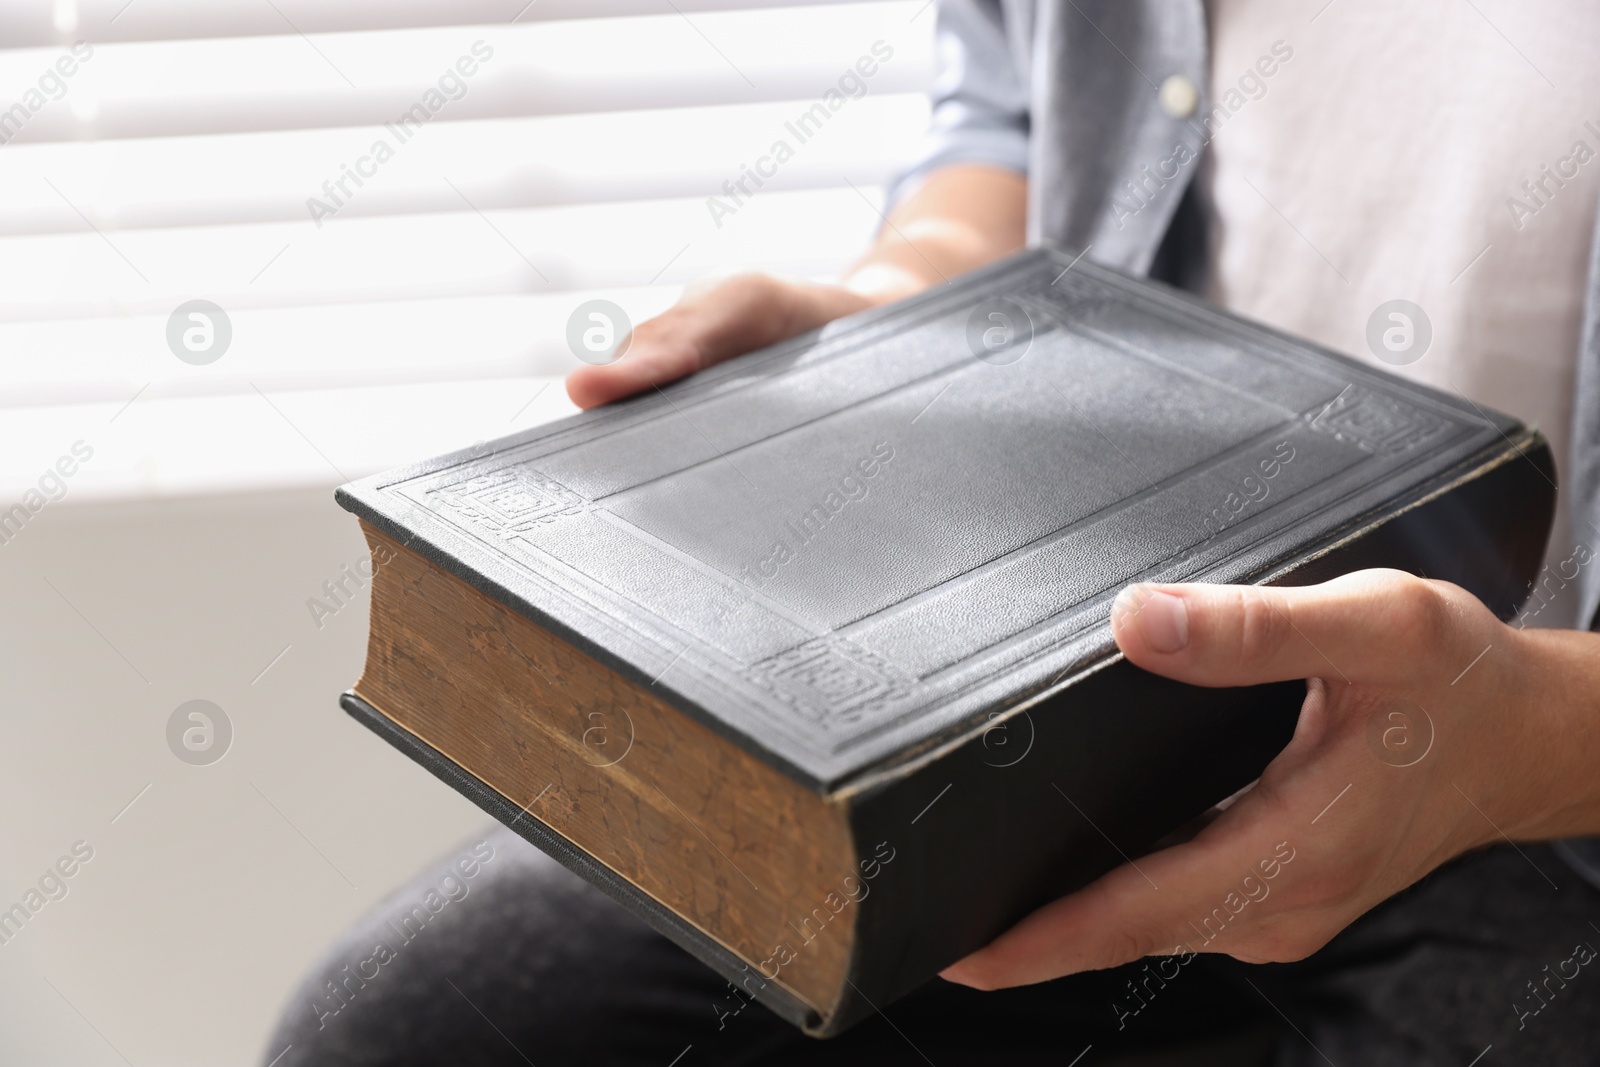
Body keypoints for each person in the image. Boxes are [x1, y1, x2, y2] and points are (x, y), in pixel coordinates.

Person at [267, 2, 1600, 1063]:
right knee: (401, 1031)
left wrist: (1534, 743)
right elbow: (1010, 112)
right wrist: (897, 314)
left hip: (1552, 794)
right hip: (1060, 709)